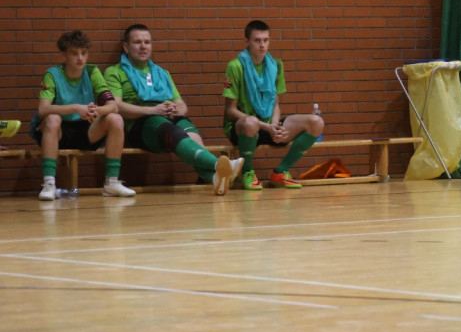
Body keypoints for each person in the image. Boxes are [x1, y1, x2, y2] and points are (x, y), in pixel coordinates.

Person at [104, 24, 243, 196]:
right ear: (126, 47)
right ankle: (220, 165)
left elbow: (183, 106)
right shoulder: (114, 72)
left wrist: (173, 110)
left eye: (147, 42)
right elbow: (116, 106)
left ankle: (214, 177)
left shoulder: (162, 73)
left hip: (166, 116)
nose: (143, 46)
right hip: (140, 123)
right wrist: (154, 110)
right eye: (137, 42)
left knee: (193, 137)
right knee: (174, 132)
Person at [30, 30, 135, 200]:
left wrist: (97, 111)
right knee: (52, 118)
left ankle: (112, 182)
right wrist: (75, 107)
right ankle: (49, 184)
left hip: (86, 130)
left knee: (115, 118)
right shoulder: (52, 75)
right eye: (74, 53)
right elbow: (43, 109)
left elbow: (113, 105)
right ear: (63, 54)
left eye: (84, 53)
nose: (80, 58)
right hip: (58, 132)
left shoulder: (93, 72)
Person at [222, 19, 324, 190]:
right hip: (243, 127)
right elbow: (230, 111)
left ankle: (281, 172)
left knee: (316, 122)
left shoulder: (276, 65)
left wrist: (275, 125)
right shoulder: (235, 66)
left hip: (269, 123)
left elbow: (276, 103)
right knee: (251, 122)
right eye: (257, 40)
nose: (262, 45)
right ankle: (247, 172)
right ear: (247, 41)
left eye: (266, 40)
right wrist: (265, 126)